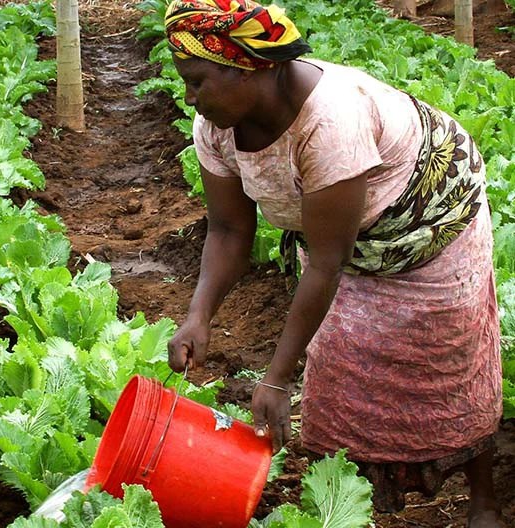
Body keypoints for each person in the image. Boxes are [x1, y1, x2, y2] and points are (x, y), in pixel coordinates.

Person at [163, 1, 504, 526]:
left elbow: (326, 262)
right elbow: (230, 230)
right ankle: (346, 501)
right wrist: (199, 314)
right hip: (340, 237)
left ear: (255, 64)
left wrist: (276, 380)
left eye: (198, 81)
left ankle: (483, 501)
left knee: (448, 362)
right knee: (341, 368)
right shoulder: (216, 127)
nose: (189, 98)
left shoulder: (330, 120)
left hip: (431, 226)